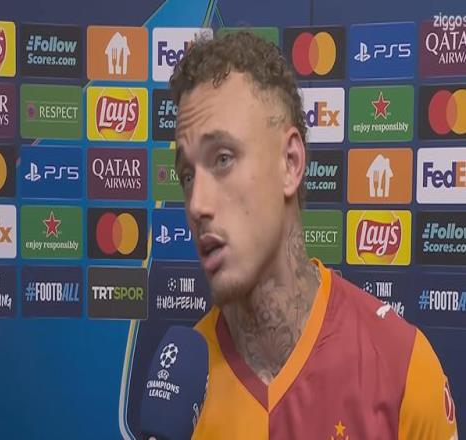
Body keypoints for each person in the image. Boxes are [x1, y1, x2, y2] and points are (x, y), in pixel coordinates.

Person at [170, 31, 458, 439]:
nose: (197, 203)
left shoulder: (402, 367)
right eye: (186, 175)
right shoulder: (180, 389)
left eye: (223, 159)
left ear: (290, 163)